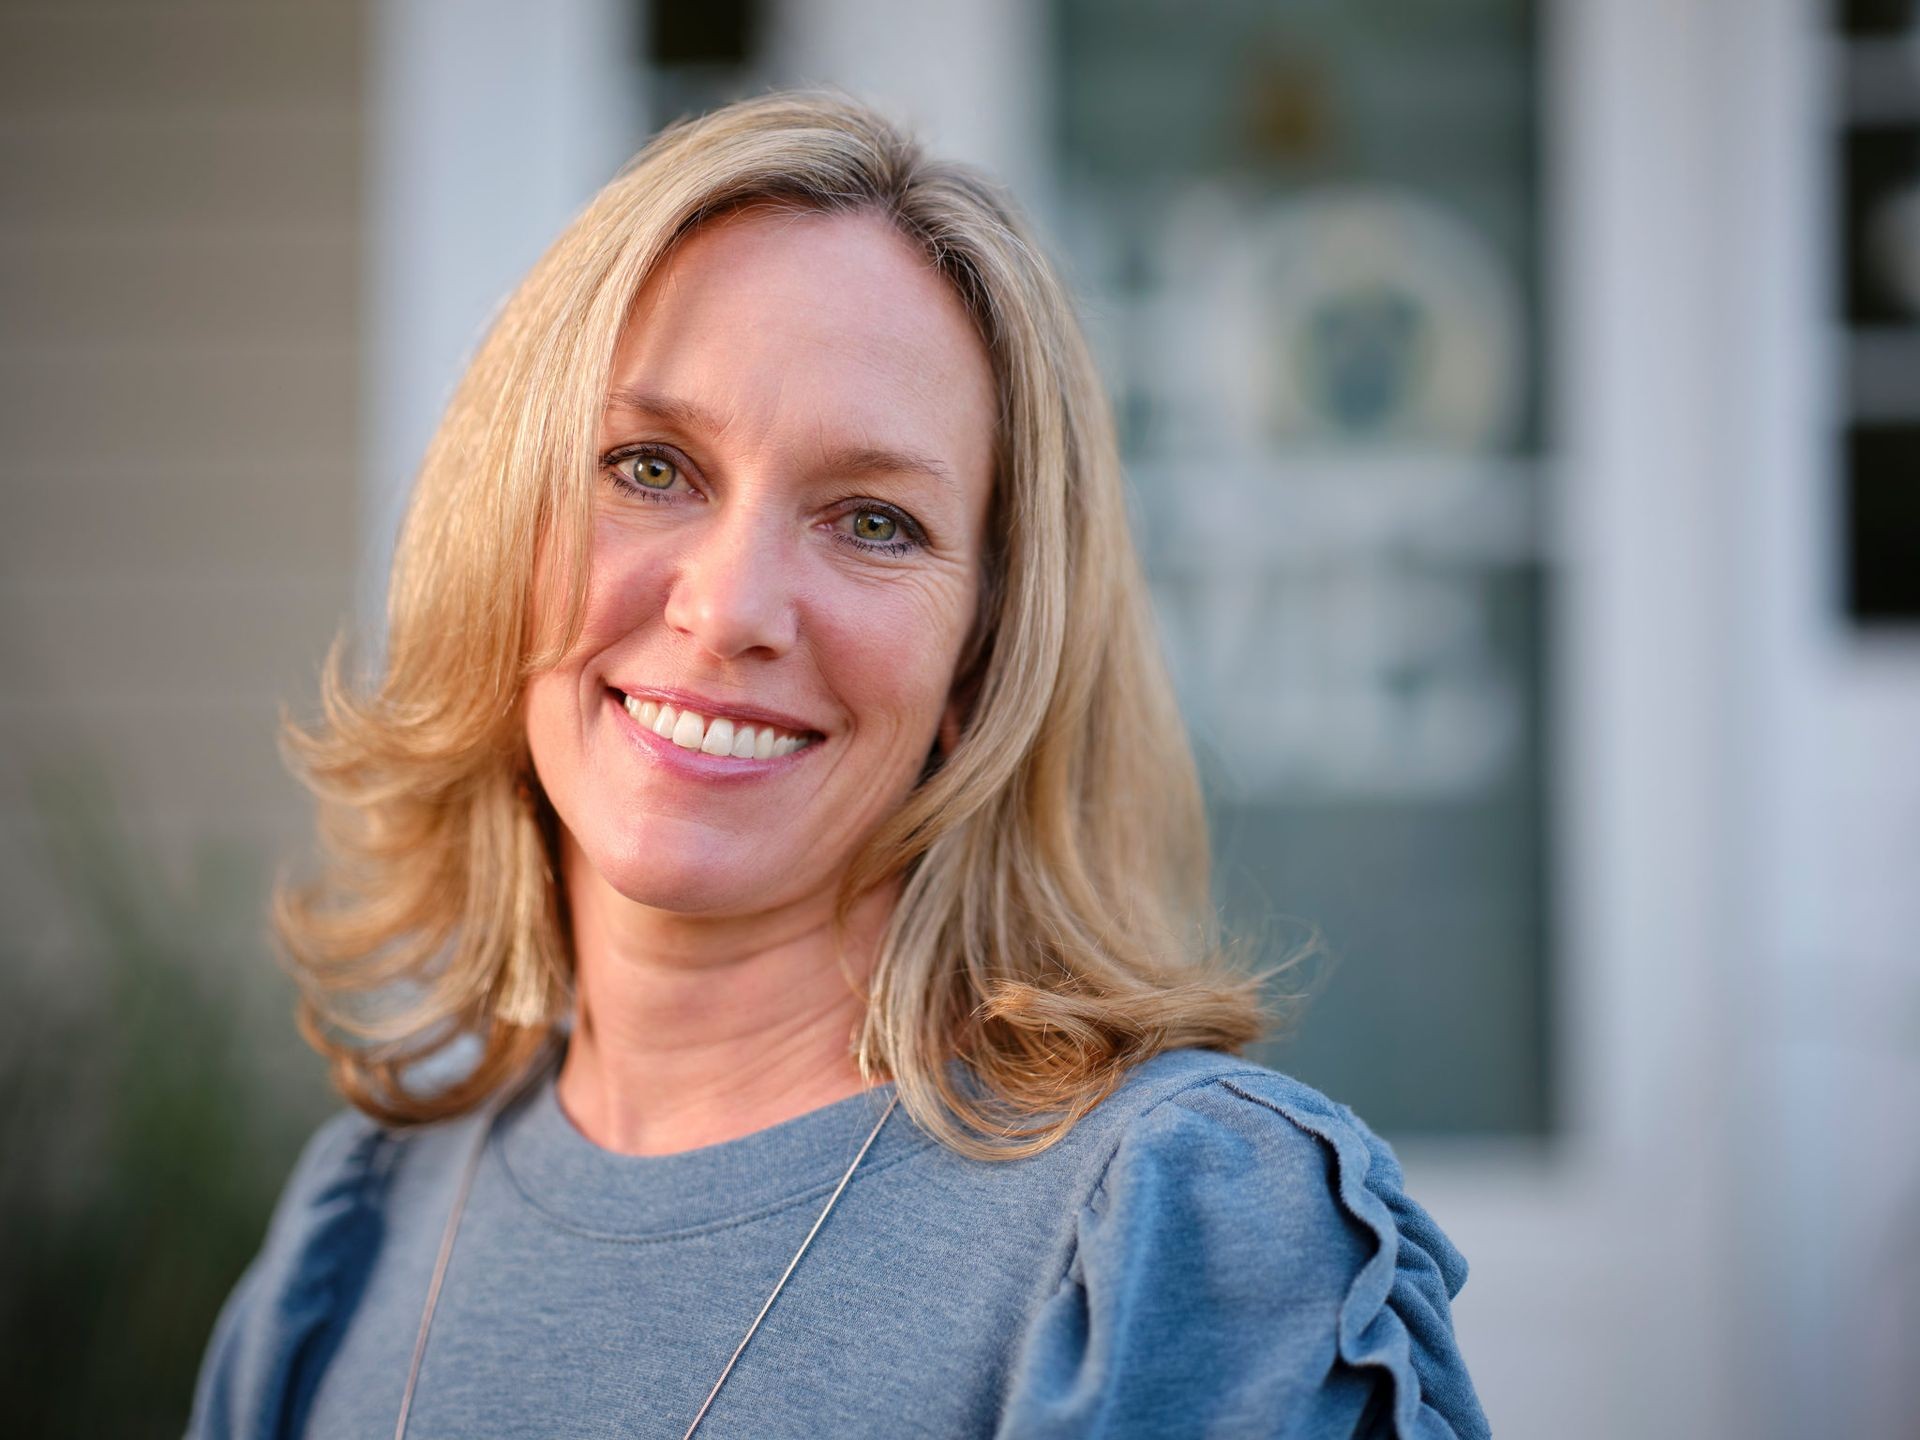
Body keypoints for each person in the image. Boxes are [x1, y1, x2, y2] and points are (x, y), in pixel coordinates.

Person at [185, 89, 1491, 1440]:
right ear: (501, 521)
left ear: (983, 654)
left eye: (874, 520)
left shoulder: (1173, 1228)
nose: (732, 606)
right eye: (648, 467)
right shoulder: (359, 1238)